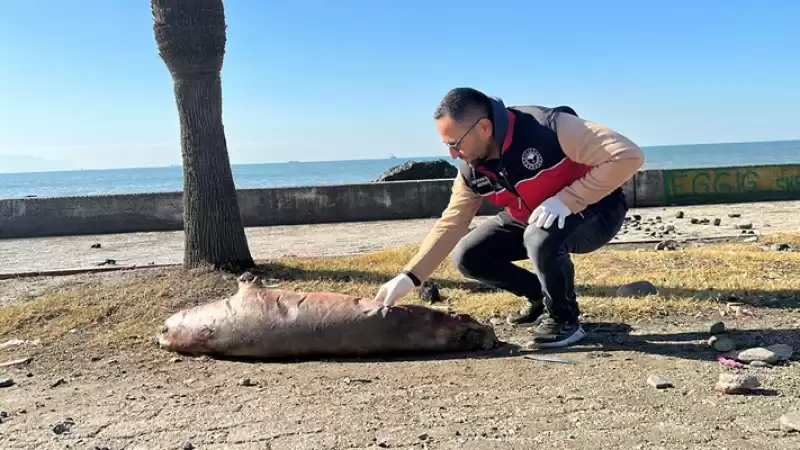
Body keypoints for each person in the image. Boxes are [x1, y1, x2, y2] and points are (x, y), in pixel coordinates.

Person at [373, 87, 645, 348]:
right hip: (531, 216)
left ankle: (564, 320)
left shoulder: (549, 127)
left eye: (455, 144)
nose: (452, 155)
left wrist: (567, 200)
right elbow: (451, 223)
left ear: (484, 128)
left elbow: (628, 155)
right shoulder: (471, 170)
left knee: (538, 236)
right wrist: (410, 277)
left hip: (597, 209)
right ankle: (540, 299)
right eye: (447, 145)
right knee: (468, 255)